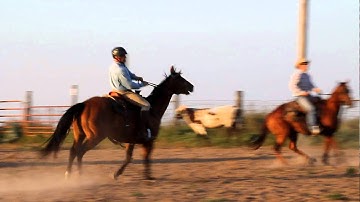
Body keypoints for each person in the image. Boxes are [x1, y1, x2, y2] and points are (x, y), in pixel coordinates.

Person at [109, 46, 152, 142]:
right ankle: (143, 129)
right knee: (146, 105)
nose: (125, 58)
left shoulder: (115, 66)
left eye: (124, 55)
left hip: (114, 90)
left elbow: (129, 74)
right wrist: (142, 84)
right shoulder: (121, 69)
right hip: (123, 92)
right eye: (123, 56)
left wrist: (137, 77)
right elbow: (129, 85)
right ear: (117, 57)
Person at [289, 58, 321, 135]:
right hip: (300, 97)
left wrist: (315, 89)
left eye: (306, 63)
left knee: (320, 103)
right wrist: (301, 93)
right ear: (299, 66)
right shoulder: (296, 74)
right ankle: (312, 127)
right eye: (304, 64)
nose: (306, 65)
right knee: (311, 109)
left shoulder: (307, 75)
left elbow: (311, 86)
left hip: (308, 95)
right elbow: (292, 86)